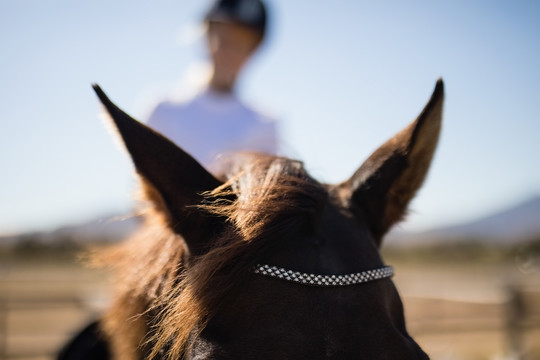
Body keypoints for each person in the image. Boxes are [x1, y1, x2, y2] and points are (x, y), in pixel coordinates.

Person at [146, 0, 278, 172]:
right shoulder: (163, 110)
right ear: (207, 36)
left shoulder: (264, 126)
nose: (230, 51)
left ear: (253, 52)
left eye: (241, 43)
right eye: (224, 39)